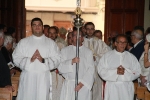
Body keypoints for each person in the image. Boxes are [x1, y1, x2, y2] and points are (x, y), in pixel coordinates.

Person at [12, 17, 60, 100]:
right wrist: (29, 60)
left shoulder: (50, 43)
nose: (37, 27)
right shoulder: (23, 42)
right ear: (31, 27)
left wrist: (44, 60)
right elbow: (15, 57)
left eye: (39, 25)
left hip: (43, 78)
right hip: (28, 77)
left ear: (42, 27)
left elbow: (57, 59)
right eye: (34, 25)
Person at [97, 34, 141, 100]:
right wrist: (115, 72)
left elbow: (138, 71)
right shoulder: (107, 56)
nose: (122, 44)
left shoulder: (131, 57)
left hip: (126, 86)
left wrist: (125, 72)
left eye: (125, 42)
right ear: (115, 43)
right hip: (112, 87)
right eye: (120, 42)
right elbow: (100, 70)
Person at [58, 30, 95, 100]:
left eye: (79, 35)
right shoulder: (65, 51)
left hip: (83, 85)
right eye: (75, 35)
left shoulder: (88, 52)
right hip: (69, 84)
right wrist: (71, 61)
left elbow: (91, 70)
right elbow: (60, 67)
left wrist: (82, 84)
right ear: (71, 38)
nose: (77, 37)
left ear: (82, 38)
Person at [83, 22, 110, 100]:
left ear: (94, 30)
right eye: (88, 29)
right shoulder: (81, 42)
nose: (90, 31)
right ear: (85, 30)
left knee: (96, 91)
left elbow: (106, 55)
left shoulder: (100, 42)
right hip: (85, 69)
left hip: (97, 70)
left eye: (91, 29)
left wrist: (96, 58)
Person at [48, 26, 66, 100]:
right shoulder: (43, 44)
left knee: (57, 91)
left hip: (57, 73)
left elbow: (64, 59)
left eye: (54, 33)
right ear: (47, 33)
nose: (52, 35)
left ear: (56, 34)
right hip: (46, 72)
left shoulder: (61, 45)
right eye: (50, 33)